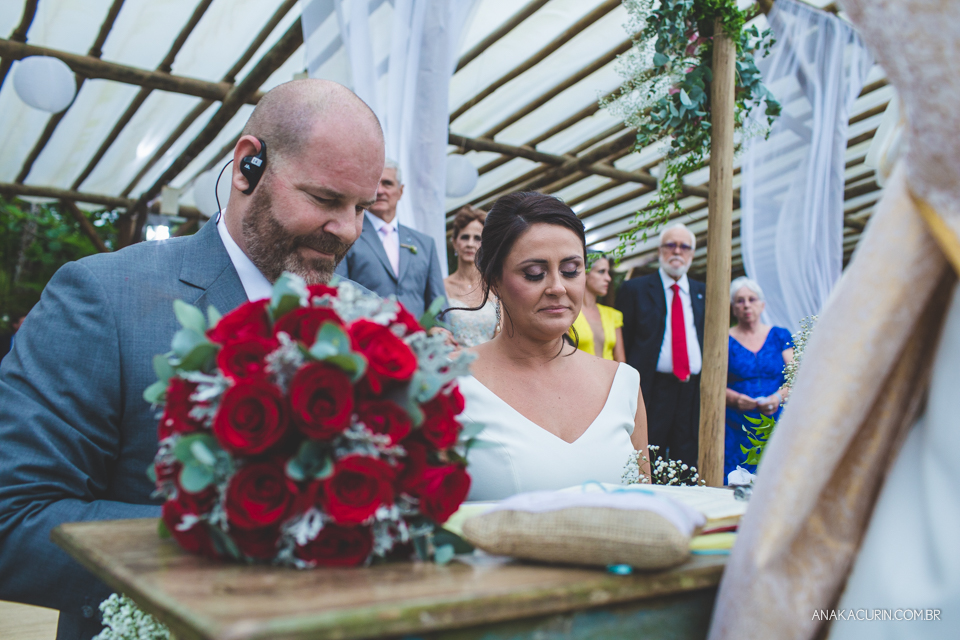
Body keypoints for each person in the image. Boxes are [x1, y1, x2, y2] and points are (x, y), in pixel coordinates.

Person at [0, 79, 385, 640]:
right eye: (325, 200)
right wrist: (250, 543)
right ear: (249, 165)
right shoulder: (105, 298)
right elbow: (14, 523)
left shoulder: (371, 320)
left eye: (361, 207)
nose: (347, 231)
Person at [457, 192, 649, 501]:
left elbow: (645, 502)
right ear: (494, 280)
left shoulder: (622, 382)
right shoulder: (451, 379)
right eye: (534, 273)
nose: (557, 287)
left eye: (571, 270)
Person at [616, 222, 705, 468]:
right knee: (649, 453)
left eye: (684, 246)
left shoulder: (703, 292)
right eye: (671, 245)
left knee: (686, 456)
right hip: (652, 389)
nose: (677, 251)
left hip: (692, 391)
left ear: (691, 253)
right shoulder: (635, 289)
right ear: (660, 250)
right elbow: (626, 339)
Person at [335, 161, 446, 318]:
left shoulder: (425, 244)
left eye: (387, 184)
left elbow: (438, 301)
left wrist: (442, 331)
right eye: (375, 184)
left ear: (400, 191)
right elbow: (339, 289)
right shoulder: (349, 235)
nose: (380, 191)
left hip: (418, 338)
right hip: (368, 334)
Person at [724, 277, 793, 480]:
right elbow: (713, 384)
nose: (746, 305)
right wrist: (736, 399)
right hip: (736, 424)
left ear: (762, 305)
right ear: (733, 308)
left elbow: (795, 376)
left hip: (776, 419)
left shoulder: (780, 335)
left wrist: (778, 397)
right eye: (740, 300)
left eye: (751, 299)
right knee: (736, 482)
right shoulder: (723, 338)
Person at [443, 206, 497, 347]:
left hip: (489, 365)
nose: (470, 244)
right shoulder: (441, 286)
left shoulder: (496, 288)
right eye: (465, 237)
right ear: (455, 242)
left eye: (477, 238)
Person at [570, 251, 625, 361]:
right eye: (601, 272)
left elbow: (621, 361)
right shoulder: (568, 313)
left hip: (610, 377)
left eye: (608, 272)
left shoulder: (613, 315)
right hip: (579, 377)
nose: (608, 278)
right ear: (584, 273)